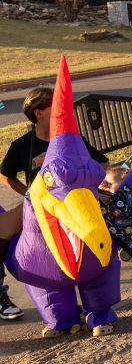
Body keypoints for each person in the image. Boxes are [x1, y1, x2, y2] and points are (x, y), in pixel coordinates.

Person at [1, 86, 109, 321]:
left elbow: (102, 164)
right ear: (38, 113)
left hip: (75, 207)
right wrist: (26, 192)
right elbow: (5, 174)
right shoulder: (22, 145)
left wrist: (92, 183)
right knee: (3, 230)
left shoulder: (72, 140)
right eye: (56, 105)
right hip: (38, 209)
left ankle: (99, 304)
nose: (64, 109)